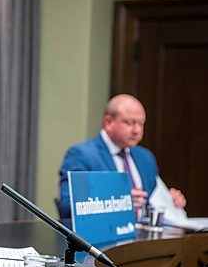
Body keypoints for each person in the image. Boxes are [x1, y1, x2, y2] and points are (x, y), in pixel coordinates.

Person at [58, 94, 186, 219]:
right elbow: (67, 208)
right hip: (104, 236)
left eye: (141, 124)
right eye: (130, 123)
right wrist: (119, 202)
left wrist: (169, 201)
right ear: (108, 122)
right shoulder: (82, 155)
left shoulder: (145, 158)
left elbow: (149, 202)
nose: (137, 130)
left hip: (142, 236)